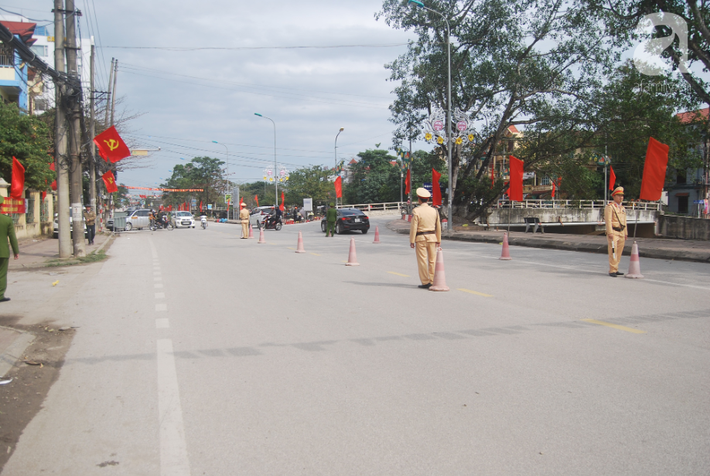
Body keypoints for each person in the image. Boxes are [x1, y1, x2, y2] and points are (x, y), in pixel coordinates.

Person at [409, 188, 441, 288]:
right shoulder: (434, 211)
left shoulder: (416, 211)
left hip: (421, 238)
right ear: (428, 200)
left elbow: (414, 226)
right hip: (432, 237)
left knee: (422, 260)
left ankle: (425, 282)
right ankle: (432, 280)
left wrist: (412, 240)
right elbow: (438, 226)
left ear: (419, 199)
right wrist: (438, 239)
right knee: (433, 260)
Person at [605, 186, 628, 277]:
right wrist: (610, 232)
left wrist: (625, 233)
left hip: (621, 231)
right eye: (618, 196)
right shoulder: (610, 207)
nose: (621, 197)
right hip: (614, 231)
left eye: (622, 196)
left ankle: (616, 268)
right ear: (614, 196)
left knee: (619, 251)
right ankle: (612, 270)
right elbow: (608, 220)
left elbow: (624, 221)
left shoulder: (622, 208)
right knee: (613, 251)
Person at [0, 196, 19, 302]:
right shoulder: (6, 220)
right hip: (2, 252)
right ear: (1, 207)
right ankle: (0, 295)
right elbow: (12, 237)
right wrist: (16, 251)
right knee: (1, 274)